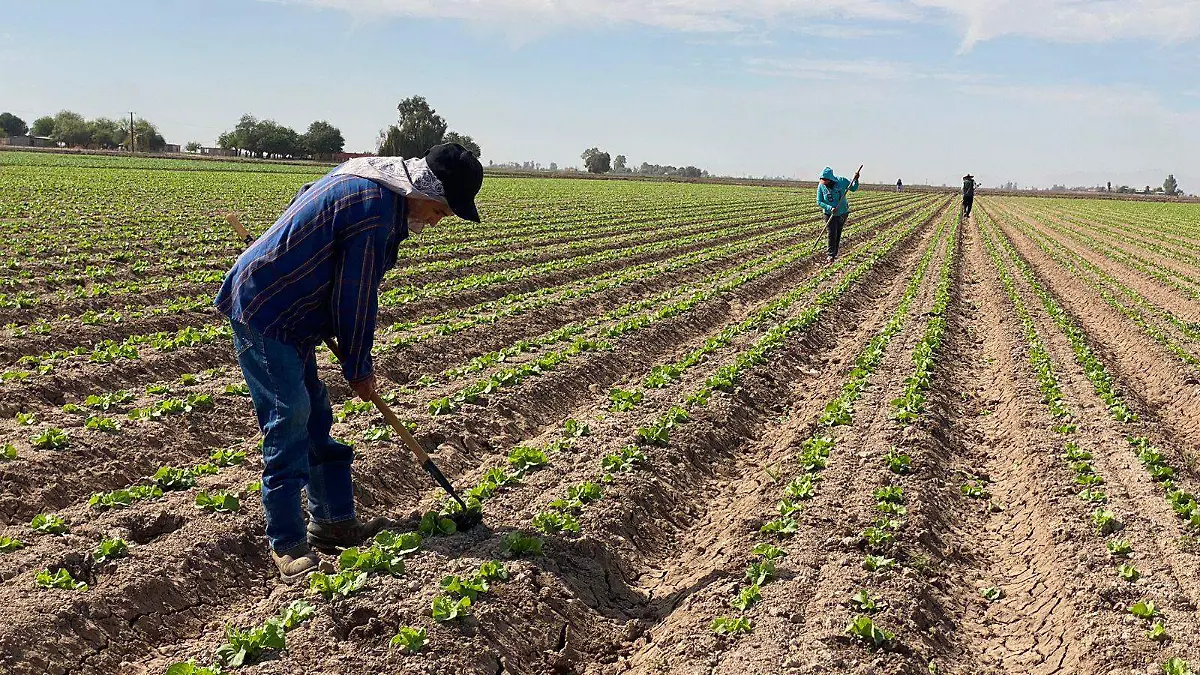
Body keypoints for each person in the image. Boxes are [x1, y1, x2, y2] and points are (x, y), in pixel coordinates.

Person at [215, 143, 484, 580]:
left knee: (316, 414)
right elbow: (355, 295)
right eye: (442, 209)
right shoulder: (376, 210)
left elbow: (306, 202)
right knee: (290, 415)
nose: (439, 220)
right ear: (426, 189)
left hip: (298, 310)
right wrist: (358, 367)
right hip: (266, 309)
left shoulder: (367, 176)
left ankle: (333, 522)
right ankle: (286, 541)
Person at [817, 165, 861, 263]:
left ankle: (834, 253)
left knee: (838, 233)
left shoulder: (842, 181)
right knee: (831, 233)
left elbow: (853, 188)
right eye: (822, 180)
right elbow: (819, 201)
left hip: (842, 212)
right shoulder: (821, 186)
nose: (824, 183)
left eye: (826, 181)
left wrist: (856, 180)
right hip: (829, 213)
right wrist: (829, 208)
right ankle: (831, 255)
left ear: (831, 179)